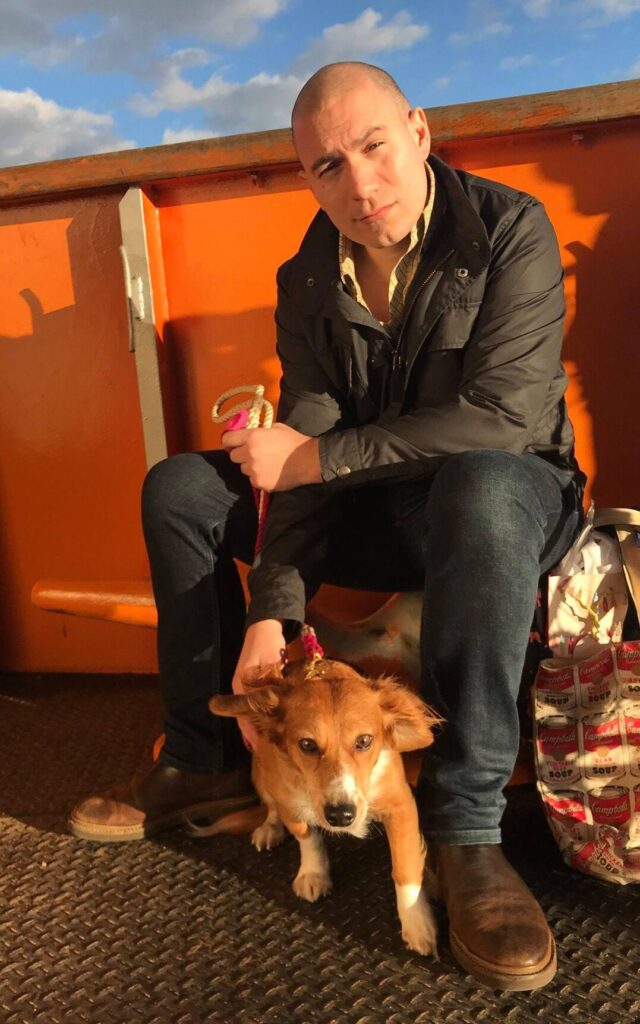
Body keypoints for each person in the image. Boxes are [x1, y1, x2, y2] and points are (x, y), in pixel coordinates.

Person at [70, 62, 585, 991]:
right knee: (182, 488)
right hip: (379, 507)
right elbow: (296, 445)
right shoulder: (308, 273)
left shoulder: (512, 230)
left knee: (480, 482)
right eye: (326, 166)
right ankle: (205, 756)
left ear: (420, 133)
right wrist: (274, 605)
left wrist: (316, 459)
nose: (358, 184)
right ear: (307, 175)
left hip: (511, 503)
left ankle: (469, 833)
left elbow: (502, 421)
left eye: (374, 146)